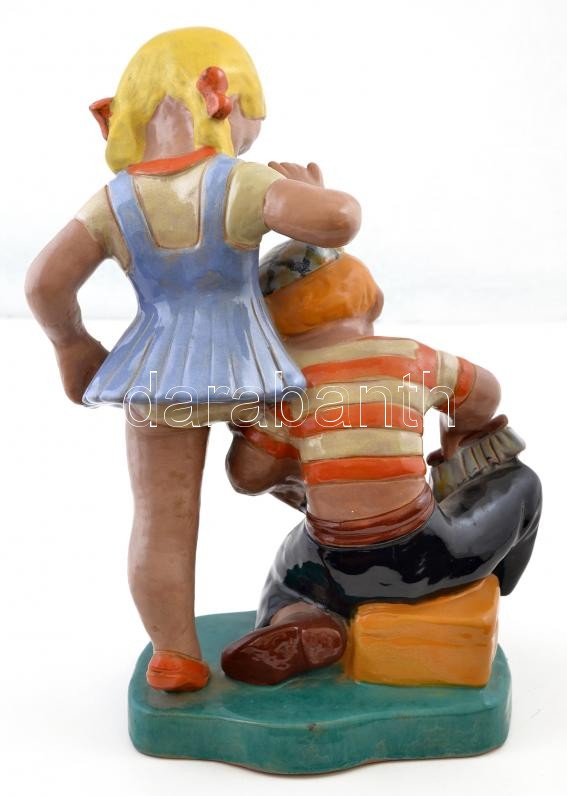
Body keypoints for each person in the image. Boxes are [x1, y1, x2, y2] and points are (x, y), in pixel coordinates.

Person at [24, 28, 361, 692]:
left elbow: (43, 284)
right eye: (251, 119)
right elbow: (341, 220)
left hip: (157, 376)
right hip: (254, 376)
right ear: (219, 94)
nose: (251, 135)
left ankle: (174, 653)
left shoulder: (113, 202)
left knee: (160, 519)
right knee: (314, 453)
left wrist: (73, 345)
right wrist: (309, 190)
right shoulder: (242, 183)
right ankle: (341, 548)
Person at [222, 239, 542, 685]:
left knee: (288, 574)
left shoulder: (287, 387)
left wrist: (251, 427)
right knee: (521, 482)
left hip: (332, 559)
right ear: (371, 297)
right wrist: (454, 426)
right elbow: (485, 396)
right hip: (425, 557)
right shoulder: (411, 357)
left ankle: (299, 618)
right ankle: (481, 581)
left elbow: (247, 476)